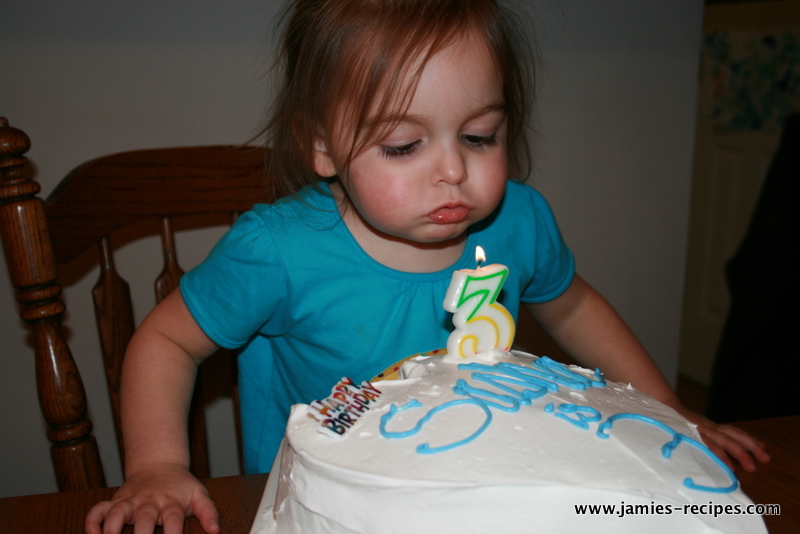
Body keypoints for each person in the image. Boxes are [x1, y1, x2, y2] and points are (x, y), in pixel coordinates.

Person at [86, 1, 769, 533]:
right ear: (323, 146)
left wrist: (670, 411)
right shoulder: (276, 252)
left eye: (480, 136)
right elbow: (167, 341)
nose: (453, 170)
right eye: (404, 144)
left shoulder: (518, 223)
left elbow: (575, 307)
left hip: (478, 493)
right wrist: (156, 466)